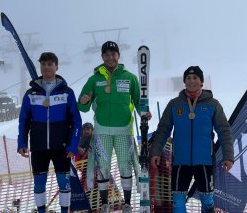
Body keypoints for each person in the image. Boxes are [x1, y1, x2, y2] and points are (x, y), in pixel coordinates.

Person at [78, 41, 152, 213]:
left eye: (113, 54)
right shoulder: (94, 79)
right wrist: (83, 101)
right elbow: (83, 106)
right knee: (102, 166)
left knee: (125, 166)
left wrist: (144, 113)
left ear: (119, 55)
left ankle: (127, 203)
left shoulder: (130, 77)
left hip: (124, 130)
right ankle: (105, 204)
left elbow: (138, 101)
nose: (110, 57)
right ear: (102, 57)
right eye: (107, 54)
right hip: (102, 131)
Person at [150, 66, 234, 213]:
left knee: (207, 201)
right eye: (188, 78)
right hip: (180, 161)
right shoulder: (174, 104)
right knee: (178, 200)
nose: (191, 81)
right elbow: (163, 129)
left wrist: (228, 156)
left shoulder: (213, 104)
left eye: (195, 78)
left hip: (205, 161)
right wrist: (156, 151)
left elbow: (224, 131)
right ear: (184, 82)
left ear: (201, 82)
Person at [17, 52, 82, 213]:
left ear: (56, 67)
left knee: (63, 183)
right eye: (43, 64)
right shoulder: (31, 94)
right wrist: (22, 142)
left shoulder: (67, 92)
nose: (46, 67)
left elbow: (76, 121)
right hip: (38, 147)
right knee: (39, 183)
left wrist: (73, 145)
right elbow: (23, 120)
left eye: (50, 64)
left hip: (61, 146)